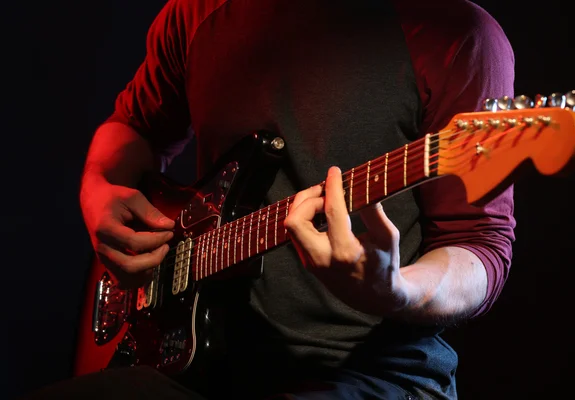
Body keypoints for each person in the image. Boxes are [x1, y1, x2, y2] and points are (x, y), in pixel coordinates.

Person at [23, 0, 516, 399]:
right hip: (196, 361)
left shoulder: (459, 34)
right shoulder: (194, 13)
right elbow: (131, 128)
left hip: (375, 376)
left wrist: (398, 290)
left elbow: (480, 247)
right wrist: (98, 191)